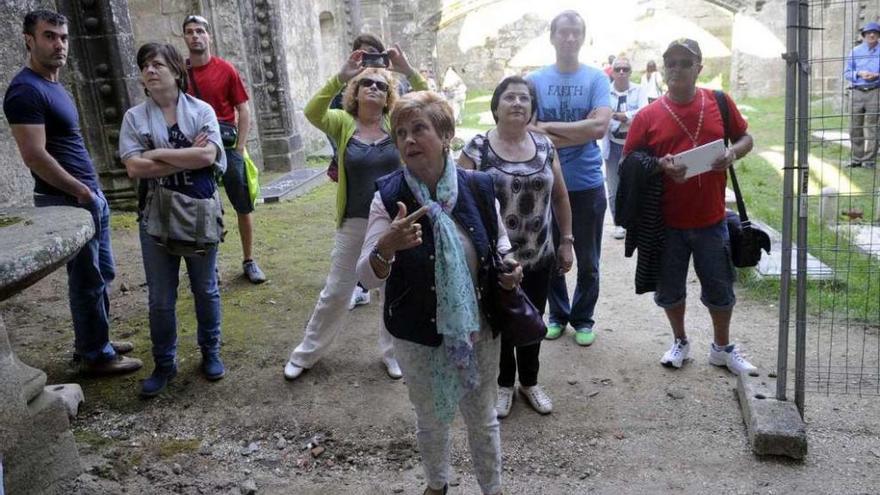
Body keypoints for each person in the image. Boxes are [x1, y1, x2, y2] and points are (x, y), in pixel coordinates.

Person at [357, 90, 517, 495]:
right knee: (430, 418)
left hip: (477, 327)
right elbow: (367, 277)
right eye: (400, 134)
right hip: (416, 330)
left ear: (445, 134)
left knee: (482, 417)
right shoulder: (387, 195)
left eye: (419, 129)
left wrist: (509, 268)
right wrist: (386, 247)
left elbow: (499, 245)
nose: (408, 140)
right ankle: (437, 484)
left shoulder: (479, 187)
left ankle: (492, 488)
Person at [3, 10, 142, 375]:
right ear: (29, 40)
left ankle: (97, 340)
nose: (59, 44)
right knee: (86, 280)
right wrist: (81, 190)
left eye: (63, 37)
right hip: (68, 199)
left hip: (87, 195)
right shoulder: (25, 90)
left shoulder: (54, 85)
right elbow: (34, 155)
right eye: (49, 36)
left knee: (100, 275)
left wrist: (91, 191)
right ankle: (96, 356)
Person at [282, 45, 427, 382]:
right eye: (367, 83)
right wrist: (341, 75)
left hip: (392, 221)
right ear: (356, 92)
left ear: (389, 94)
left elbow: (430, 105)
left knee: (392, 291)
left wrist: (406, 70)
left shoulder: (396, 123)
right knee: (336, 290)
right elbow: (312, 110)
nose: (374, 88)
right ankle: (306, 354)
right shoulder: (342, 122)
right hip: (354, 221)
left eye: (380, 84)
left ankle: (392, 354)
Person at [623, 38, 758, 375]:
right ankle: (680, 340)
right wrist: (660, 165)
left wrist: (732, 153)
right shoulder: (647, 115)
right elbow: (629, 162)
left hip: (711, 219)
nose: (677, 69)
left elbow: (746, 138)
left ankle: (722, 348)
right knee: (670, 290)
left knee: (720, 287)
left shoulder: (719, 102)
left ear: (700, 67)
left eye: (686, 62)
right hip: (666, 222)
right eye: (671, 63)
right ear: (664, 68)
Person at [459, 76, 574, 418]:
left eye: (525, 98)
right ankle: (503, 384)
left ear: (532, 109)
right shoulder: (477, 148)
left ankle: (530, 381)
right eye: (509, 97)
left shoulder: (544, 146)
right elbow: (457, 199)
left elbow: (561, 196)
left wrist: (566, 241)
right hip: (496, 259)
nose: (518, 103)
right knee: (500, 323)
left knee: (533, 320)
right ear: (496, 106)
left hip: (539, 255)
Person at [119, 42, 227, 396]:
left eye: (157, 65)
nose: (149, 71)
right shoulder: (135, 117)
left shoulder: (202, 110)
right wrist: (187, 155)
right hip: (155, 216)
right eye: (144, 66)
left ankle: (210, 352)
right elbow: (134, 167)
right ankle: (165, 364)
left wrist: (158, 153)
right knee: (161, 299)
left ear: (176, 71)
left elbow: (208, 155)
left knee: (206, 289)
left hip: (198, 213)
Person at [527, 10, 611, 346]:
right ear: (552, 37)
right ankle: (558, 315)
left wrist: (547, 128)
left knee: (588, 259)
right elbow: (529, 131)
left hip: (588, 182)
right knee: (548, 255)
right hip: (545, 183)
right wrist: (581, 130)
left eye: (576, 32)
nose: (570, 38)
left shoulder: (596, 79)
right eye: (564, 32)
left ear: (583, 36)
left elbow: (601, 127)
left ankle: (583, 317)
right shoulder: (534, 81)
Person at [182, 14, 266, 283]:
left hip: (229, 147)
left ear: (209, 36)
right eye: (190, 32)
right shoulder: (181, 74)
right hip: (198, 149)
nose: (195, 36)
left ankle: (249, 260)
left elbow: (243, 109)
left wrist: (240, 148)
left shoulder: (226, 69)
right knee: (205, 206)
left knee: (243, 206)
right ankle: (210, 267)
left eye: (200, 31)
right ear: (184, 38)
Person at [602, 56, 648, 240]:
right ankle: (619, 223)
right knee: (614, 186)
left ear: (630, 72)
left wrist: (622, 115)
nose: (621, 72)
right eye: (618, 69)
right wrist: (627, 117)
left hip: (634, 145)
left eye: (625, 69)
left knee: (634, 183)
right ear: (612, 72)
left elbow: (644, 113)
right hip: (612, 145)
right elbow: (602, 113)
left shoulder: (640, 90)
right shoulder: (605, 92)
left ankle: (636, 221)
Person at [844, 22, 880, 168]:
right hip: (857, 91)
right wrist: (858, 73)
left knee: (873, 126)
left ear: (878, 35)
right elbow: (847, 72)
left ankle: (869, 160)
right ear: (864, 35)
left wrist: (877, 75)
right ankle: (856, 158)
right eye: (868, 33)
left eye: (875, 33)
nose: (871, 35)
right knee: (855, 126)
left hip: (875, 91)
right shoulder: (855, 51)